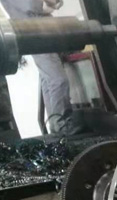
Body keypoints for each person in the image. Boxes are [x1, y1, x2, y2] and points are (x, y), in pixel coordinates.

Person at [0, 0, 79, 135]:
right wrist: (47, 3)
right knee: (58, 80)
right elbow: (30, 6)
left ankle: (56, 124)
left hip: (40, 30)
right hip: (35, 32)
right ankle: (62, 124)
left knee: (48, 80)